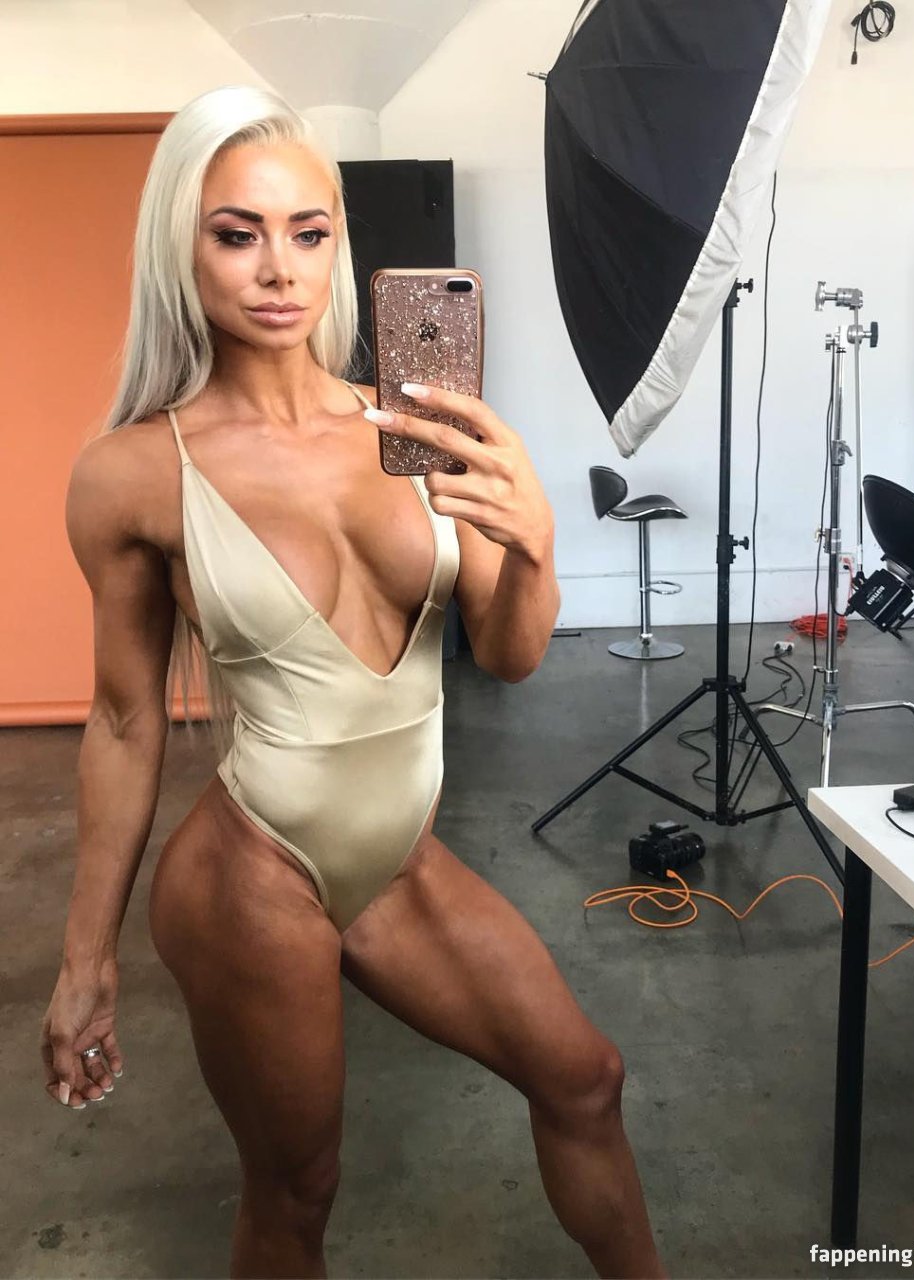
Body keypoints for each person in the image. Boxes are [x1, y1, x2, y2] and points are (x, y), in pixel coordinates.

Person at [39, 85, 667, 1280]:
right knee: (296, 1188)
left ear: (340, 244)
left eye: (308, 231)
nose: (279, 269)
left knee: (585, 1077)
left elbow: (513, 653)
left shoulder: (419, 425)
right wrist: (85, 960)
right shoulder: (133, 473)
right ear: (182, 248)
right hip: (251, 873)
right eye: (238, 234)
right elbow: (122, 719)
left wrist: (534, 540)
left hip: (397, 856)